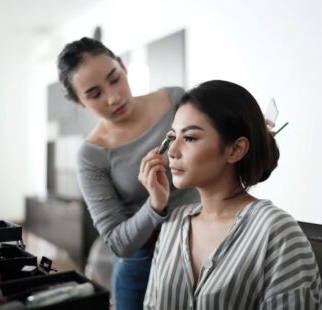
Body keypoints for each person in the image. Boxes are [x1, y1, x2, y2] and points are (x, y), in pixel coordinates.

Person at [140, 80, 322, 309]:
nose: (174, 151)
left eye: (189, 138)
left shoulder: (275, 231)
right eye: (171, 137)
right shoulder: (172, 223)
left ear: (236, 149)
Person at [56, 37, 199, 310]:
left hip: (205, 244)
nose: (114, 97)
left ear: (122, 66)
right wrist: (155, 204)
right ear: (79, 102)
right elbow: (118, 243)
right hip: (143, 263)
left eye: (114, 78)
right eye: (94, 94)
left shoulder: (175, 100)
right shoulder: (91, 156)